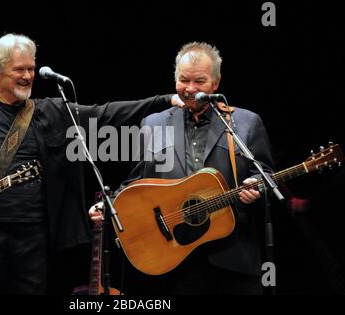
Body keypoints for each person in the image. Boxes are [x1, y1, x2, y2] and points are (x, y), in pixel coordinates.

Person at [0, 33, 182, 294]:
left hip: (34, 240)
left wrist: (163, 101)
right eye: (19, 69)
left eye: (31, 68)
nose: (28, 76)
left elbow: (105, 114)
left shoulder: (52, 111)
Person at [89, 41, 275, 294]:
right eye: (183, 80)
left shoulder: (246, 123)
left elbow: (264, 175)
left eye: (199, 81)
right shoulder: (153, 123)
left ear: (216, 83)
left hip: (233, 257)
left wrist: (257, 186)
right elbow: (136, 183)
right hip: (174, 258)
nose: (190, 89)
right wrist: (110, 205)